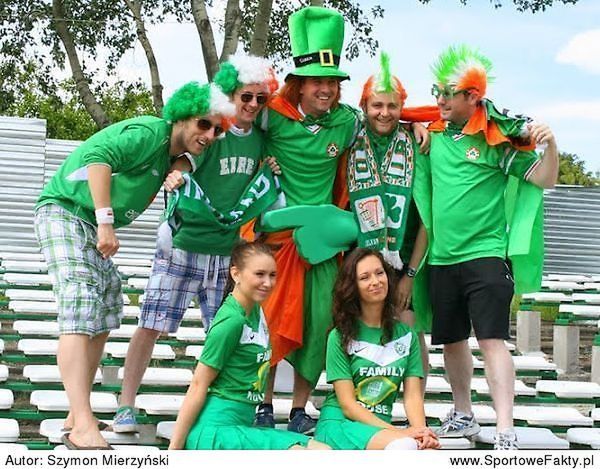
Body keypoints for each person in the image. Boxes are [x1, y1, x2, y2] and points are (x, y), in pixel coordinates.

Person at [34, 81, 235, 449]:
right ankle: (81, 421)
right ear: (182, 116)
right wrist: (106, 220)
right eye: (203, 124)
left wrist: (182, 166)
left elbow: (186, 159)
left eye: (217, 129)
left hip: (87, 223)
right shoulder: (148, 133)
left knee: (108, 307)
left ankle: (75, 414)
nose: (210, 134)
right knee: (80, 302)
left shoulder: (176, 152)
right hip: (65, 211)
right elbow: (98, 159)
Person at [112, 54, 279, 433]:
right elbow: (187, 159)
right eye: (245, 97)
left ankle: (219, 412)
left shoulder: (260, 141)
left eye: (259, 99)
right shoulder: (214, 129)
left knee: (227, 332)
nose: (252, 105)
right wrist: (176, 176)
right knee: (151, 324)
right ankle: (125, 405)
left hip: (224, 254)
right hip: (182, 243)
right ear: (231, 95)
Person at [413, 45, 558, 450]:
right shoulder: (434, 133)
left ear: (472, 97)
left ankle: (505, 430)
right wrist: (417, 128)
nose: (439, 99)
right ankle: (464, 414)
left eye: (448, 92)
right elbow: (405, 117)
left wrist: (552, 146)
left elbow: (543, 180)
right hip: (442, 258)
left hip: (487, 255)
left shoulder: (495, 139)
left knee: (492, 339)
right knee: (453, 341)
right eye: (436, 90)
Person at [168, 241, 329, 450]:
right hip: (216, 430)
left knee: (322, 450)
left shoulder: (256, 311)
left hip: (241, 426)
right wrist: (174, 451)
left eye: (272, 275)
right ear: (236, 274)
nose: (268, 283)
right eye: (259, 274)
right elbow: (199, 383)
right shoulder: (231, 321)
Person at [349, 52, 438, 382]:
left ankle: (417, 411)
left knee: (409, 339)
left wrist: (410, 275)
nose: (384, 113)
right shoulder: (350, 139)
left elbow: (428, 218)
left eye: (392, 106)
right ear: (364, 107)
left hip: (404, 261)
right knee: (358, 339)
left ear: (402, 108)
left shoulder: (418, 145)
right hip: (358, 258)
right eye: (377, 106)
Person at [314, 248, 439, 450]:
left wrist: (421, 432)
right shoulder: (339, 336)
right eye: (364, 277)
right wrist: (398, 433)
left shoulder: (407, 336)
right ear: (352, 286)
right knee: (404, 446)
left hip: (381, 430)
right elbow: (348, 405)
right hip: (341, 425)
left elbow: (412, 396)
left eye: (379, 273)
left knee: (425, 450)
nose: (375, 281)